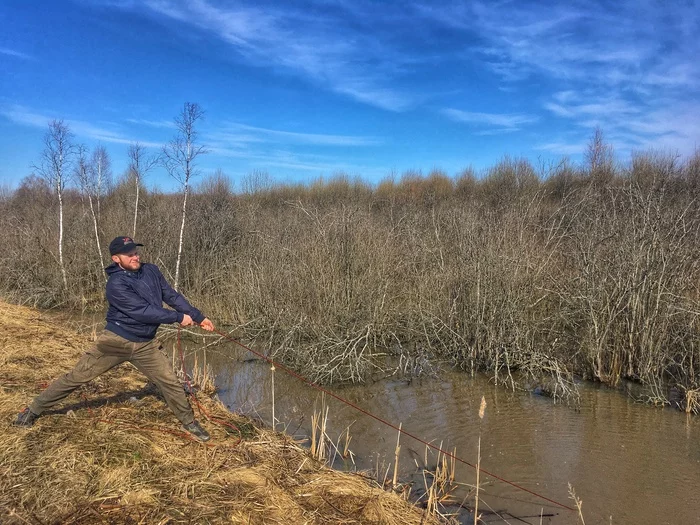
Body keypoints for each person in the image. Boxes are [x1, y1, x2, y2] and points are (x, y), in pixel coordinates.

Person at [14, 236, 215, 442]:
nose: (135, 257)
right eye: (129, 254)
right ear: (116, 259)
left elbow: (171, 296)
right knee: (77, 377)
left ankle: (189, 422)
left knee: (170, 382)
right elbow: (143, 311)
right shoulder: (116, 284)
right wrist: (178, 317)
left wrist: (199, 317)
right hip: (115, 341)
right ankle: (33, 410)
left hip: (146, 343)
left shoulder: (151, 271)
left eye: (136, 252)